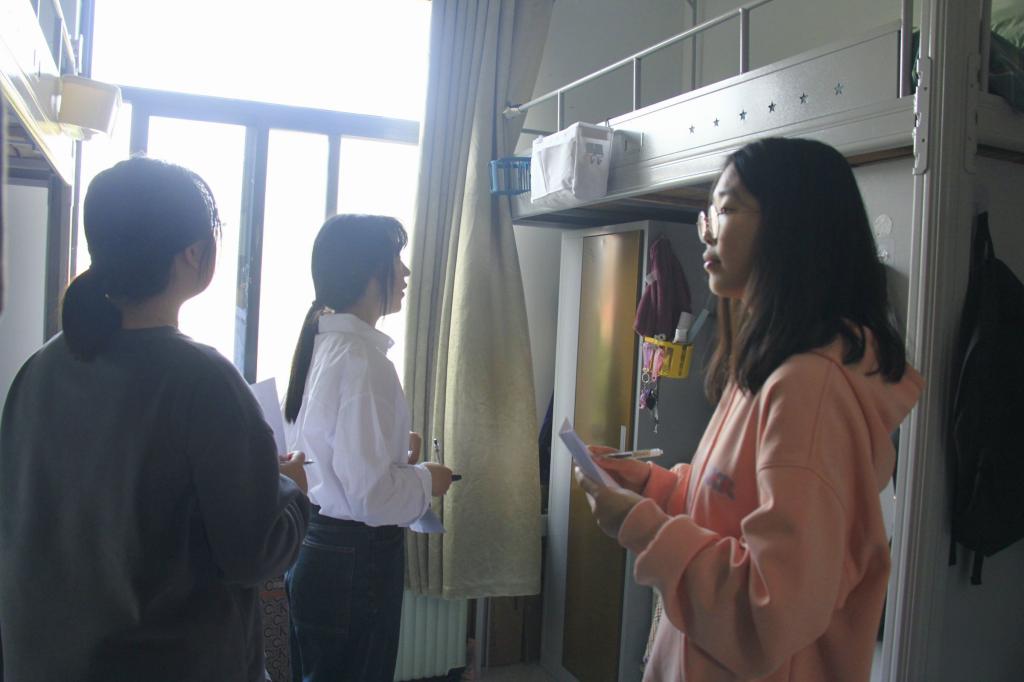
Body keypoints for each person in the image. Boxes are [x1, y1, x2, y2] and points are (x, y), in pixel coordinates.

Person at [577, 137, 924, 682]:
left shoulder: (808, 388)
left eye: (727, 209)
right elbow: (729, 505)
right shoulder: (769, 368)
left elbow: (770, 609)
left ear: (792, 227)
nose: (707, 231)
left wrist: (640, 526)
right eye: (708, 213)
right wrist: (651, 485)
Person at [0, 157, 310, 682]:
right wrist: (292, 491)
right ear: (194, 252)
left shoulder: (39, 369)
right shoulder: (203, 380)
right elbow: (253, 555)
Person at [284, 214, 453, 682]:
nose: (405, 272)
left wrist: (395, 453)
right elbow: (371, 497)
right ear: (366, 272)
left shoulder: (322, 346)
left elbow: (334, 455)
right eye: (395, 259)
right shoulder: (365, 361)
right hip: (355, 559)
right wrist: (428, 480)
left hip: (315, 546)